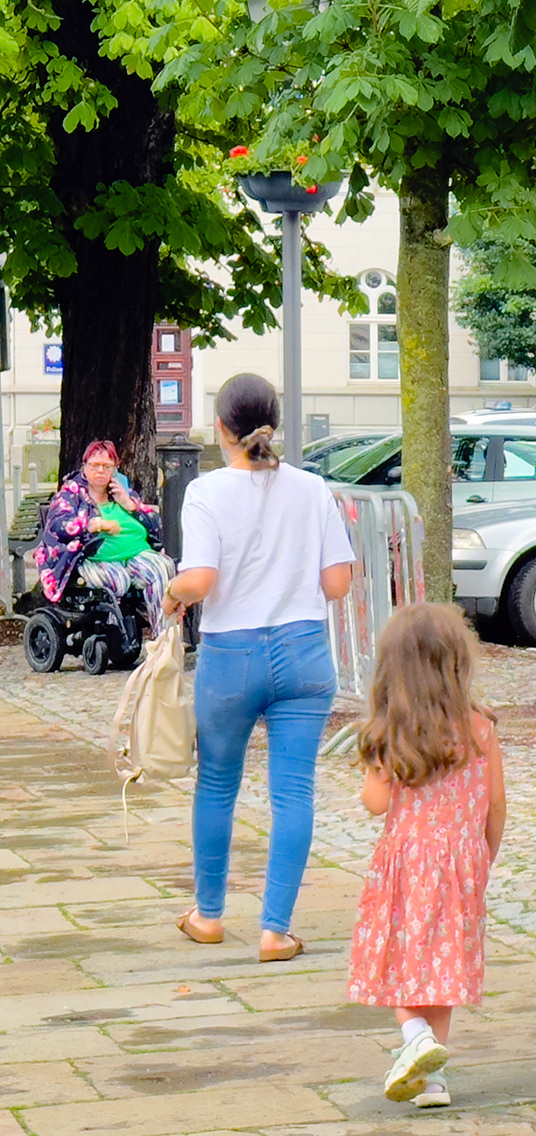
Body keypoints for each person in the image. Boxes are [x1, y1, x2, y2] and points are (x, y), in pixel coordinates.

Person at [164, 374, 355, 961]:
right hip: (303, 653)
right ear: (276, 425)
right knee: (293, 793)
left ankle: (209, 915)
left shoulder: (206, 492)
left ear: (222, 428)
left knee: (217, 785)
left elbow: (201, 580)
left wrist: (172, 592)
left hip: (232, 655)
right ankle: (275, 929)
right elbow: (337, 583)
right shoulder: (313, 489)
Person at [346, 603, 507, 1109]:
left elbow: (376, 804)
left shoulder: (390, 730)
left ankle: (414, 1036)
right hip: (462, 861)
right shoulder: (479, 726)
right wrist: (485, 855)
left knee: (396, 958)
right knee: (442, 967)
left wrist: (371, 777)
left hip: (407, 862)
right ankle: (433, 1079)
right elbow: (495, 802)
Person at [35, 441, 174, 633]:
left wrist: (130, 505)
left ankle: (164, 641)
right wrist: (93, 524)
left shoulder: (120, 491)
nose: (101, 470)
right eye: (95, 465)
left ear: (115, 469)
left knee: (162, 568)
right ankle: (115, 634)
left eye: (107, 466)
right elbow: (57, 526)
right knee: (119, 580)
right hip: (91, 558)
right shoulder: (72, 494)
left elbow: (155, 524)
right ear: (85, 466)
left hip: (134, 553)